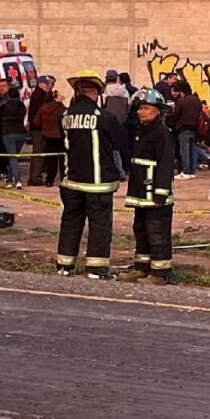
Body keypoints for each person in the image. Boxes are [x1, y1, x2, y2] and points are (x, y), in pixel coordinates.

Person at [56, 70, 127, 279]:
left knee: (70, 223)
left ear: (77, 91)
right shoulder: (103, 117)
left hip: (71, 182)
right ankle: (96, 269)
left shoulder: (65, 117)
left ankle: (64, 265)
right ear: (97, 92)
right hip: (97, 184)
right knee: (99, 226)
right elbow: (120, 142)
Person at [119, 89, 175, 285]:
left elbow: (166, 165)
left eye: (145, 108)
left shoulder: (162, 133)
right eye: (139, 108)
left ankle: (160, 273)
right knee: (141, 231)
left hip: (155, 195)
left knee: (156, 233)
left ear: (157, 110)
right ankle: (141, 268)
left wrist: (160, 194)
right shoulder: (140, 131)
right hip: (140, 193)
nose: (141, 112)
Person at [171, 81, 202, 180]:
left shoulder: (181, 101)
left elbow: (176, 115)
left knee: (184, 151)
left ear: (181, 91)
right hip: (194, 127)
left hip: (183, 128)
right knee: (192, 150)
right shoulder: (197, 100)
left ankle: (185, 171)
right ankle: (192, 171)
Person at [0, 86, 28, 189]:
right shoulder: (21, 106)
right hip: (21, 133)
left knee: (12, 157)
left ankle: (17, 179)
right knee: (14, 157)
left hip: (8, 133)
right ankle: (9, 180)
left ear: (8, 95)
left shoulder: (4, 105)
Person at [35, 90, 66, 187]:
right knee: (63, 160)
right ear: (55, 98)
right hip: (61, 137)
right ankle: (64, 179)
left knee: (50, 160)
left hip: (48, 137)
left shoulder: (43, 108)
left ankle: (50, 180)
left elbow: (36, 122)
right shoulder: (63, 109)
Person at [103, 70, 131, 178]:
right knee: (117, 149)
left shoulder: (104, 90)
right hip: (120, 122)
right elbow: (128, 106)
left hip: (106, 122)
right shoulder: (125, 91)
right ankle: (121, 171)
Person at [27, 76, 52, 187]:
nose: (48, 86)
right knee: (39, 153)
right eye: (46, 84)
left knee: (36, 153)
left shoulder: (37, 94)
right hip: (38, 128)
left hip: (36, 128)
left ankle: (33, 176)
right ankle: (36, 177)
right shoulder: (40, 95)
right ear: (41, 84)